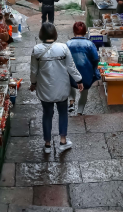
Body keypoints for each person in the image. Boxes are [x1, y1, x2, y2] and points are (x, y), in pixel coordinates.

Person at [29, 22, 83, 154]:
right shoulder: (63, 48)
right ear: (55, 33)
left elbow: (33, 71)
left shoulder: (36, 50)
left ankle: (47, 144)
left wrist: (33, 83)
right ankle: (63, 141)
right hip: (61, 88)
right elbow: (71, 67)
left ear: (41, 34)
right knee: (63, 112)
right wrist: (79, 80)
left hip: (45, 89)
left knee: (47, 114)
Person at [66, 21, 101, 115]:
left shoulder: (68, 44)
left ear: (74, 32)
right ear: (85, 32)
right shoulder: (90, 44)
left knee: (69, 84)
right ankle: (79, 112)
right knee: (84, 92)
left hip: (71, 73)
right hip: (86, 74)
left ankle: (71, 101)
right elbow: (95, 58)